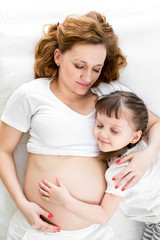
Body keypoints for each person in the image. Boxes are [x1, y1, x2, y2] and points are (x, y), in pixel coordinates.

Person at [0, 10, 160, 239]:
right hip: (37, 230)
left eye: (96, 68)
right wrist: (22, 205)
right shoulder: (31, 94)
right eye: (79, 65)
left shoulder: (111, 96)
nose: (87, 77)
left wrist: (148, 156)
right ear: (58, 57)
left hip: (93, 232)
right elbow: (3, 150)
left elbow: (155, 125)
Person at [39, 91, 160, 240]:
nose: (103, 134)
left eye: (114, 131)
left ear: (135, 136)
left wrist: (65, 200)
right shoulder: (139, 143)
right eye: (100, 125)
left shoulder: (122, 169)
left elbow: (103, 215)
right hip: (152, 218)